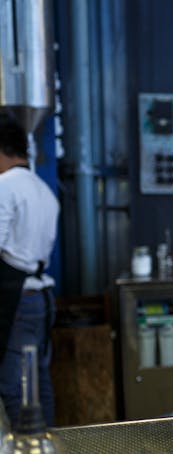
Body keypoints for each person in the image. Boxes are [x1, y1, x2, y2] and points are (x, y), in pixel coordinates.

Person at [0, 112, 60, 429]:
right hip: (41, 298)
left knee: (14, 387)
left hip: (17, 301)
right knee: (39, 384)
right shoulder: (44, 191)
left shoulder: (4, 187)